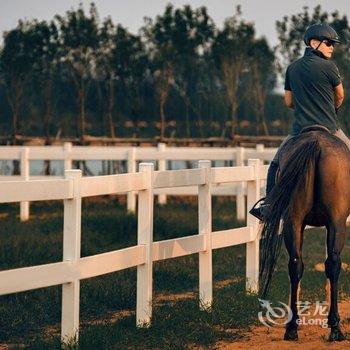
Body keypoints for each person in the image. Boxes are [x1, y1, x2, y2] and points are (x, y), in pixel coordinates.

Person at [250, 23, 349, 221]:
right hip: (330, 127)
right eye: (329, 43)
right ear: (314, 43)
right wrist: (331, 108)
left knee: (276, 164)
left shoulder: (292, 68)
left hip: (299, 131)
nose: (332, 47)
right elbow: (340, 95)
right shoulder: (330, 67)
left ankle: (268, 206)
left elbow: (288, 101)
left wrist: (305, 106)